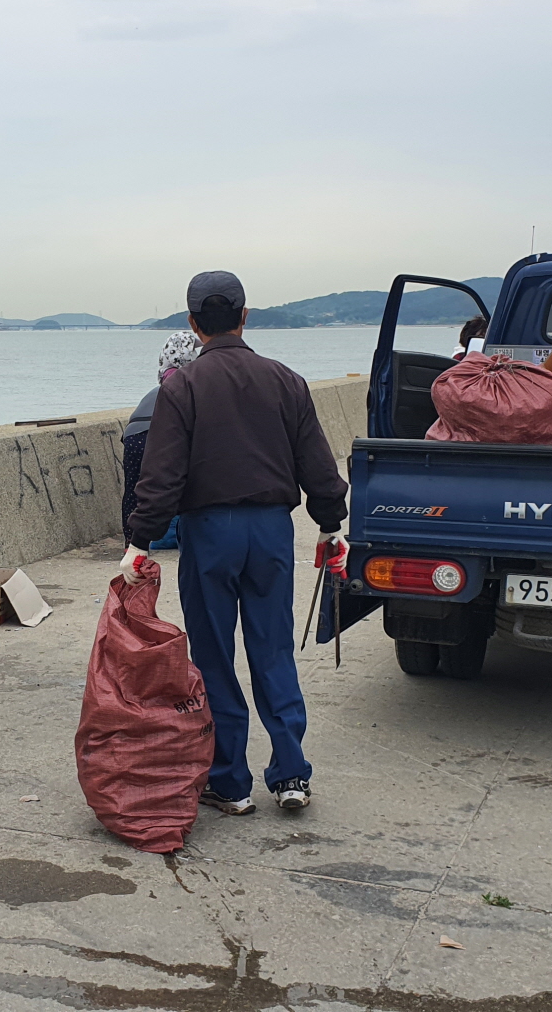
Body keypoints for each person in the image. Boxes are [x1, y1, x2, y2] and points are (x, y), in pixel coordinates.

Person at [122, 272, 350, 815]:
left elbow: (162, 474)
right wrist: (329, 524)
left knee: (215, 657)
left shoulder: (181, 387)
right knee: (272, 650)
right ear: (246, 316)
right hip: (272, 529)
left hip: (209, 534)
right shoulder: (287, 381)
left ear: (193, 323)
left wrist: (140, 539)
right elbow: (316, 464)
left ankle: (230, 781)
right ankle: (291, 774)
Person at [119, 331, 200, 549]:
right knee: (172, 482)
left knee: (133, 488)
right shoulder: (189, 378)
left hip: (134, 433)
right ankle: (172, 535)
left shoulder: (164, 376)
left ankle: (130, 539)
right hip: (158, 431)